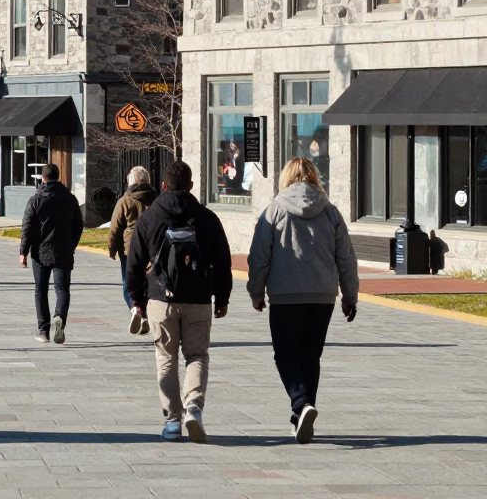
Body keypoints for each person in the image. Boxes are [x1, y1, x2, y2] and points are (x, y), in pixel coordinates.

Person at [247, 157, 359, 444]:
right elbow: (345, 257)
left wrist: (256, 291)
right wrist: (349, 295)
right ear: (314, 177)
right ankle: (301, 416)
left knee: (285, 355)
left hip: (286, 295)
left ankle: (300, 403)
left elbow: (260, 255)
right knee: (311, 356)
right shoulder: (330, 212)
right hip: (323, 296)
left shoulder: (274, 210)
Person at [127, 159, 232, 444]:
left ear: (163, 185)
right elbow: (223, 262)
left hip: (161, 298)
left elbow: (134, 262)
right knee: (197, 356)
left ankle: (172, 421)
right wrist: (222, 297)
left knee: (166, 359)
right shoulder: (207, 217)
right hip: (198, 299)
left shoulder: (149, 218)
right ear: (191, 185)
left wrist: (136, 299)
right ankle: (194, 409)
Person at [19, 164, 83, 344]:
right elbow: (78, 225)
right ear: (58, 176)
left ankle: (43, 331)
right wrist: (71, 245)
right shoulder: (70, 199)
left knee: (41, 290)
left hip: (40, 252)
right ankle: (59, 317)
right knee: (62, 290)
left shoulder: (35, 200)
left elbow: (27, 227)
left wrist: (23, 250)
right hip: (63, 251)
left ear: (43, 178)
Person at [110, 166, 157, 334]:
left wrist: (112, 247)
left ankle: (135, 309)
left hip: (129, 248)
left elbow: (115, 227)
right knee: (148, 282)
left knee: (128, 282)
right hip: (152, 247)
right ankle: (146, 313)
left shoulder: (125, 200)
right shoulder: (156, 199)